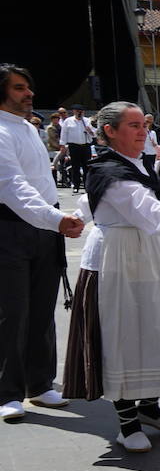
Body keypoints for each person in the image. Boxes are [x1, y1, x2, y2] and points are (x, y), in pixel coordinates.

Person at [62, 103, 160, 452]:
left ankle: (149, 407)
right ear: (110, 131)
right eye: (133, 125)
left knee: (153, 328)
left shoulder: (133, 164)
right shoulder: (112, 171)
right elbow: (151, 213)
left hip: (149, 254)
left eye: (143, 124)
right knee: (122, 333)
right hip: (117, 258)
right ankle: (127, 421)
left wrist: (78, 216)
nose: (142, 131)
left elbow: (90, 201)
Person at [0, 64, 85, 420]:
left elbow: (41, 183)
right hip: (10, 230)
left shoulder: (26, 128)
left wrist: (56, 218)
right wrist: (55, 219)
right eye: (19, 87)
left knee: (42, 309)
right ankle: (7, 391)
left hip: (44, 230)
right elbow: (12, 186)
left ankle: (39, 384)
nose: (29, 93)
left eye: (28, 87)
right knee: (12, 312)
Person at [60, 105, 97, 190]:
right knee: (75, 166)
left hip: (85, 145)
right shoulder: (68, 121)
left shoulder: (87, 121)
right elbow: (64, 133)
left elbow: (94, 134)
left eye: (81, 111)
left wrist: (90, 131)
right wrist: (62, 145)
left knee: (86, 166)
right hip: (74, 146)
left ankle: (86, 185)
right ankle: (76, 185)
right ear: (74, 111)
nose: (80, 113)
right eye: (77, 111)